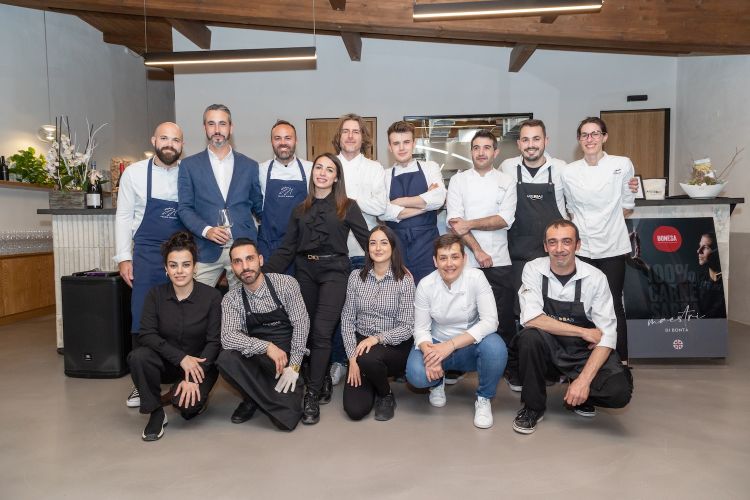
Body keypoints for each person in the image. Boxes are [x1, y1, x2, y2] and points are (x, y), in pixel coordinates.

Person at [263, 153, 370, 425]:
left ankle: (310, 395)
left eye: (329, 169)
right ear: (313, 174)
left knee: (322, 332)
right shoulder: (300, 209)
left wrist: (392, 263)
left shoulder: (348, 206)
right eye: (319, 168)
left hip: (335, 271)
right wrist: (261, 276)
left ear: (336, 177)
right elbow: (287, 248)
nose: (322, 173)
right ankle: (320, 379)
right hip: (305, 271)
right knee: (306, 331)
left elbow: (369, 240)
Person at [512, 219, 633, 434]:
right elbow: (531, 319)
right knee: (528, 338)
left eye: (566, 242)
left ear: (577, 245)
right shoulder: (533, 269)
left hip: (581, 351)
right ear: (545, 246)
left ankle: (579, 391)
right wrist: (583, 331)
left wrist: (583, 381)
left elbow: (606, 336)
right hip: (548, 348)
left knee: (619, 393)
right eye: (553, 242)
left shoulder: (596, 278)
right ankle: (533, 407)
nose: (559, 249)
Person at [115, 121, 185, 409]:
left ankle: (181, 377)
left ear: (182, 145)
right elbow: (122, 216)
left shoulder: (188, 173)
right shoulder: (134, 174)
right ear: (154, 140)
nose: (170, 144)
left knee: (179, 316)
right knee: (142, 317)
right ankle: (141, 385)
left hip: (182, 255)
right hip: (146, 254)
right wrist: (123, 257)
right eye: (165, 138)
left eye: (176, 140)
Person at [127, 231, 222, 441]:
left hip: (200, 366)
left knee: (187, 409)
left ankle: (178, 394)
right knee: (138, 356)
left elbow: (214, 342)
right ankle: (156, 413)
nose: (180, 271)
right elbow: (147, 334)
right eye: (173, 265)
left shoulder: (212, 297)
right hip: (169, 363)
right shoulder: (155, 295)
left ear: (195, 267)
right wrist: (180, 358)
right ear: (166, 269)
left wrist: (191, 376)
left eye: (186, 265)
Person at [405, 234, 507, 429]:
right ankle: (436, 383)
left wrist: (450, 345)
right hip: (436, 343)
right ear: (435, 261)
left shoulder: (476, 278)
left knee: (496, 348)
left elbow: (490, 322)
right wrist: (431, 355)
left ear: (464, 259)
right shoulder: (426, 285)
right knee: (417, 375)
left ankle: (484, 398)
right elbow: (420, 329)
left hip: (469, 345)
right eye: (443, 258)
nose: (449, 263)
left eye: (454, 256)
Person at [562, 117, 636, 361]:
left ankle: (620, 359)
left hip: (613, 246)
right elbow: (571, 209)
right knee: (583, 307)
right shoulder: (569, 171)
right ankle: (582, 360)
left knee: (614, 304)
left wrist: (608, 223)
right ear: (579, 140)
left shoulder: (622, 164)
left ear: (604, 137)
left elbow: (627, 205)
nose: (590, 139)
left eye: (595, 134)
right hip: (583, 249)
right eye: (585, 135)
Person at [216, 238, 310, 431]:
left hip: (287, 361)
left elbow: (302, 324)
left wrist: (294, 366)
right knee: (226, 358)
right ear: (232, 267)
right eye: (238, 261)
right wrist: (266, 347)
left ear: (260, 260)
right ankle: (253, 398)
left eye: (249, 259)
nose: (245, 266)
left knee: (287, 421)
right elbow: (227, 337)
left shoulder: (285, 284)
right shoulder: (231, 299)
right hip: (258, 360)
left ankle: (257, 397)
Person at [328, 113, 388, 389]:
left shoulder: (374, 168)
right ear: (338, 136)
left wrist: (346, 199)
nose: (350, 136)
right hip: (335, 251)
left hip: (366, 252)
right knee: (339, 311)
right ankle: (339, 361)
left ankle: (368, 359)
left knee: (367, 310)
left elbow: (380, 208)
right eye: (345, 131)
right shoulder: (329, 166)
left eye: (356, 131)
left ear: (363, 137)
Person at [178, 104, 263, 290]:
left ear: (231, 128)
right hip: (205, 249)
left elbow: (259, 207)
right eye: (211, 124)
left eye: (222, 124)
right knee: (197, 304)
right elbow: (184, 208)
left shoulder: (250, 166)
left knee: (245, 305)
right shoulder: (188, 166)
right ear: (204, 128)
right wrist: (206, 230)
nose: (217, 130)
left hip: (243, 249)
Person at [446, 130, 517, 350]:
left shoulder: (507, 181)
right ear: (471, 152)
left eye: (486, 147)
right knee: (462, 317)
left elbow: (504, 219)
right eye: (476, 148)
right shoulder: (459, 180)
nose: (481, 152)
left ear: (495, 152)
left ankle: (510, 367)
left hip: (499, 261)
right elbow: (456, 223)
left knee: (502, 318)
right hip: (465, 261)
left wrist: (469, 223)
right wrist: (477, 251)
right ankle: (458, 364)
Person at [341, 225, 415, 421]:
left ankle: (386, 394)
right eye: (373, 243)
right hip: (362, 348)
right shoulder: (356, 277)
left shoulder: (404, 280)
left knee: (368, 357)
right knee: (355, 410)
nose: (378, 248)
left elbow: (407, 327)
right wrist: (351, 360)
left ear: (392, 247)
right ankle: (372, 377)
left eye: (384, 242)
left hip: (394, 345)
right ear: (367, 248)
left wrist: (376, 339)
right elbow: (347, 320)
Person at [380, 120, 445, 285]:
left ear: (414, 143)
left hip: (427, 245)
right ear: (389, 146)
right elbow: (383, 211)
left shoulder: (430, 167)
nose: (401, 148)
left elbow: (438, 199)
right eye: (396, 143)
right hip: (396, 246)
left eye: (406, 142)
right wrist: (425, 205)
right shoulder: (384, 175)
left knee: (428, 293)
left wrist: (400, 202)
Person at [257, 120, 312, 266]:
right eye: (277, 138)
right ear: (271, 142)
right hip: (270, 246)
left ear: (296, 141)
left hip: (302, 245)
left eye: (288, 138)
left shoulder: (310, 169)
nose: (283, 142)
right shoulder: (260, 170)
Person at [696, 232, 726, 318]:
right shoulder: (699, 279)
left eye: (705, 247)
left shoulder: (727, 283)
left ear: (717, 251)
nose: (698, 251)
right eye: (699, 246)